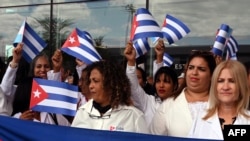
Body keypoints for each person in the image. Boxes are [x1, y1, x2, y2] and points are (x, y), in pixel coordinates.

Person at [149, 50, 217, 137]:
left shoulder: (224, 103)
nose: (194, 72)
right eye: (191, 68)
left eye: (201, 69)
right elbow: (153, 138)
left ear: (211, 75)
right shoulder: (168, 105)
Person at [71, 60, 149, 134]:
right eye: (90, 81)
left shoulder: (134, 116)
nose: (91, 86)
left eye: (96, 81)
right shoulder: (82, 112)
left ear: (111, 84)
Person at [188, 60, 250, 140]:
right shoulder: (199, 117)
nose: (225, 87)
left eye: (232, 81)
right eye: (220, 81)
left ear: (241, 85)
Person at [9, 44, 70, 126]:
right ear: (32, 69)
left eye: (46, 66)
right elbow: (5, 89)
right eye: (38, 66)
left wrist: (57, 68)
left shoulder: (53, 114)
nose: (43, 70)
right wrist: (14, 62)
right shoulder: (23, 87)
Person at [124, 40, 178, 127]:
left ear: (175, 85)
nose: (161, 85)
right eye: (157, 81)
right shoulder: (148, 102)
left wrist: (159, 56)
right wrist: (131, 61)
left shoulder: (180, 105)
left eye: (166, 82)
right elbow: (133, 86)